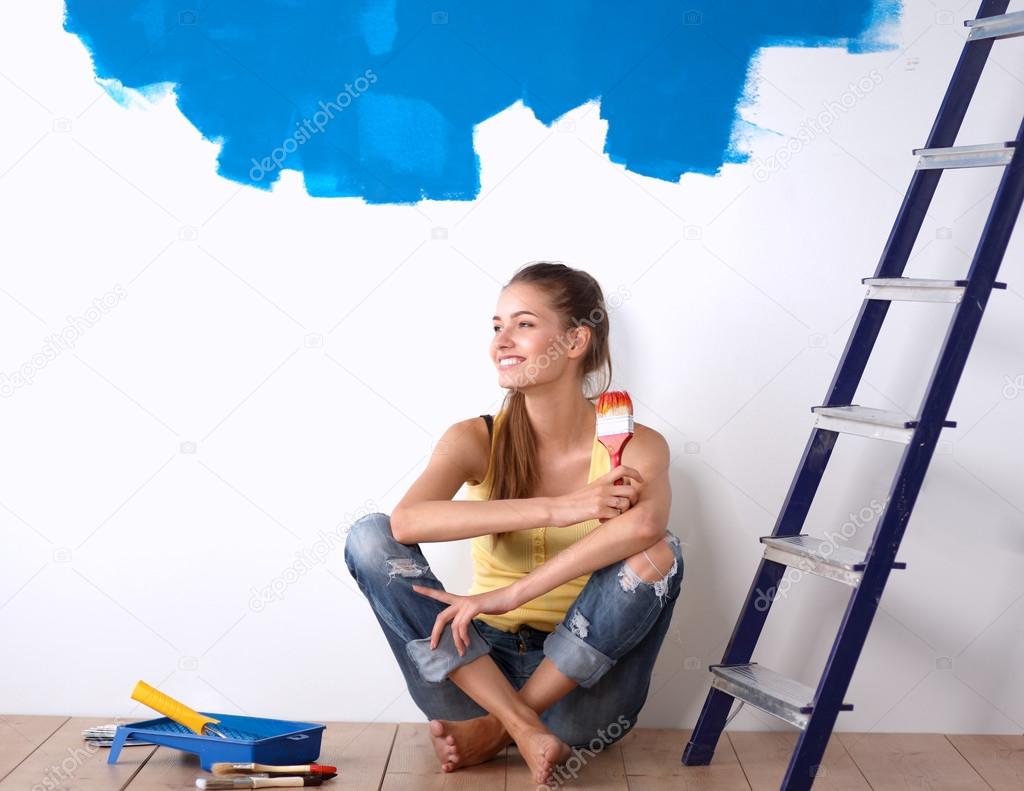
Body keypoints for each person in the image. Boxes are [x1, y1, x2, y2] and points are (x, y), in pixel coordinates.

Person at [344, 261, 683, 786]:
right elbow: (407, 522)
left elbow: (647, 532)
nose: (502, 340)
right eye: (497, 325)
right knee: (369, 534)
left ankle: (501, 727)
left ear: (574, 341)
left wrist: (510, 594)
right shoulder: (474, 438)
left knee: (663, 553)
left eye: (523, 324)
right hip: (472, 669)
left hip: (580, 690)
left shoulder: (635, 444)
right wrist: (564, 506)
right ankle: (517, 722)